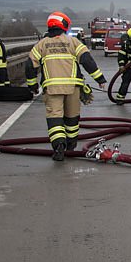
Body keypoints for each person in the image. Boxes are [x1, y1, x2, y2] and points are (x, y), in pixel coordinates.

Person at [25, 11, 106, 161]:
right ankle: (71, 146)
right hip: (73, 88)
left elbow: (30, 66)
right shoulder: (73, 42)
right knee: (72, 118)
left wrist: (33, 86)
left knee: (54, 118)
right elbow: (87, 61)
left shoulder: (41, 45)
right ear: (64, 25)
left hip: (52, 88)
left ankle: (59, 147)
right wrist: (99, 79)